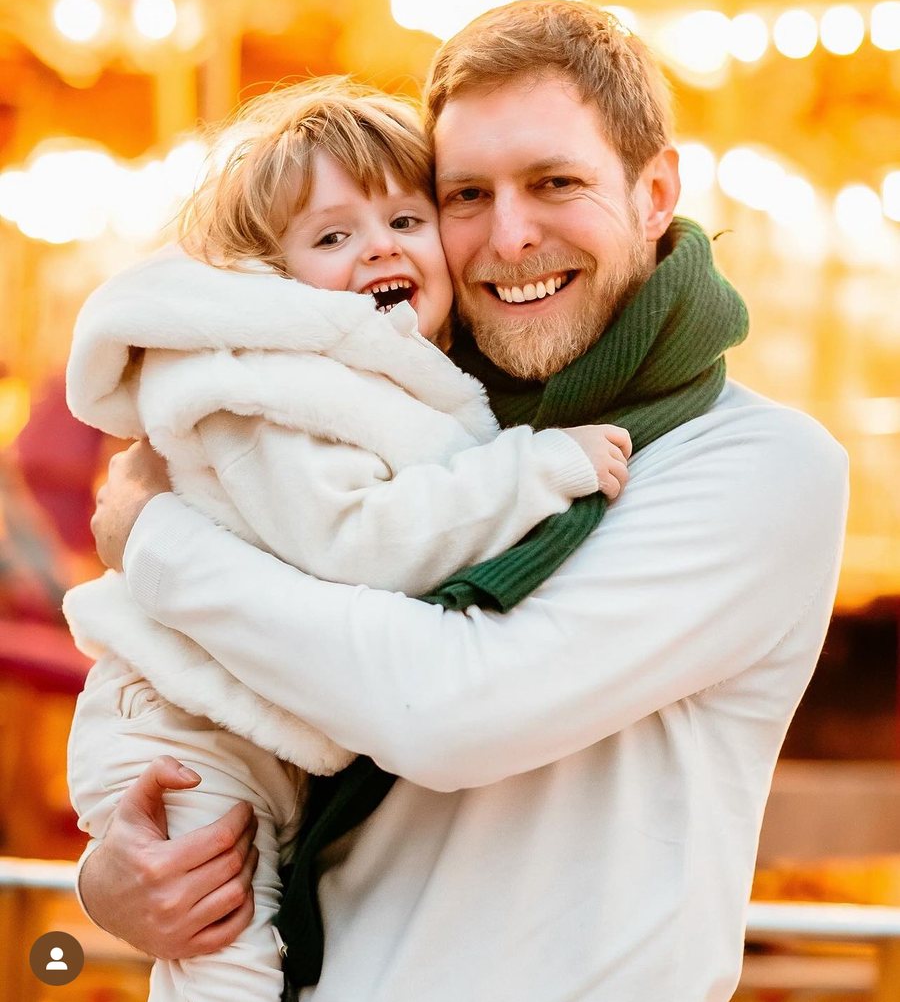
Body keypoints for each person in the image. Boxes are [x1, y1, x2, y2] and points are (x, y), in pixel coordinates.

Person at [78, 0, 848, 1002]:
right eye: (466, 195)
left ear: (655, 191)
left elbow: (445, 709)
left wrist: (159, 541)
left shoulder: (755, 463)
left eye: (555, 182)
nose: (510, 235)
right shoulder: (404, 426)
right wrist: (124, 876)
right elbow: (234, 700)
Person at [63, 77, 631, 1001]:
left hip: (262, 736)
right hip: (187, 731)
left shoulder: (395, 372)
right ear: (276, 277)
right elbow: (359, 544)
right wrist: (533, 469)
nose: (379, 247)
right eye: (331, 237)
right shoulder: (269, 390)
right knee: (225, 964)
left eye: (406, 220)